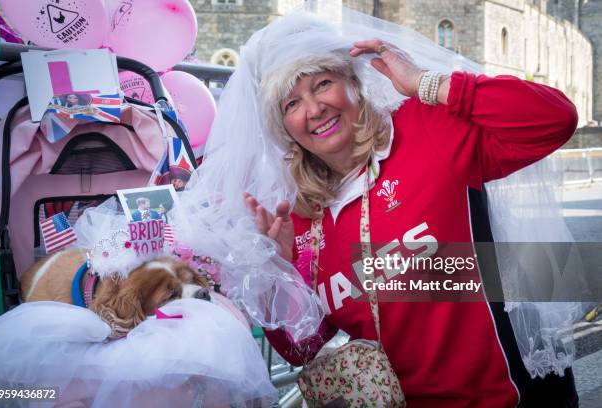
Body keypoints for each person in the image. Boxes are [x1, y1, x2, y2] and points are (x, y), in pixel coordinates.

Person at [241, 12, 580, 408]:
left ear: (353, 82)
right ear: (282, 125)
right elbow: (305, 349)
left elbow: (555, 120)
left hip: (509, 396)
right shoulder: (294, 216)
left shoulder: (425, 128)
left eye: (323, 84)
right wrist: (278, 276)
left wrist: (426, 83)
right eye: (291, 102)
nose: (314, 109)